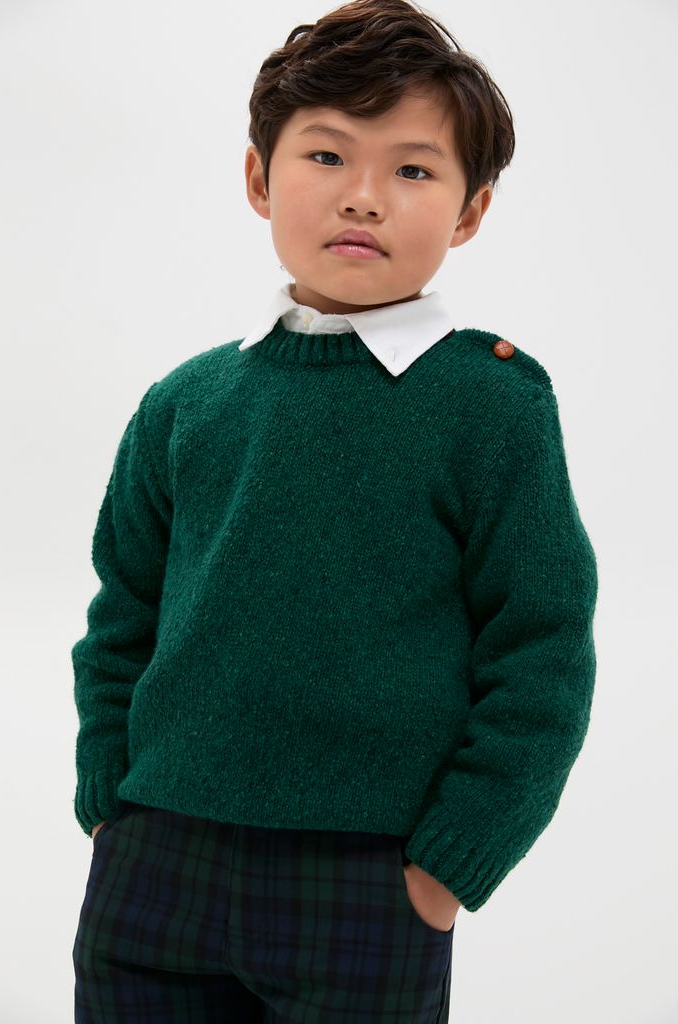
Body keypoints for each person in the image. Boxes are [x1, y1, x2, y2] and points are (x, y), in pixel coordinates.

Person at [71, 0, 598, 1020]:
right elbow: (120, 617)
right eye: (325, 156)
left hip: (369, 878)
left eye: (412, 170)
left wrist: (450, 863)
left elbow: (541, 649)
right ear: (258, 179)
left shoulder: (491, 405)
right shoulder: (186, 402)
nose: (362, 196)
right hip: (154, 857)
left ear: (470, 212)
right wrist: (108, 798)